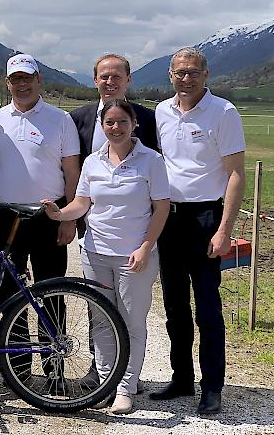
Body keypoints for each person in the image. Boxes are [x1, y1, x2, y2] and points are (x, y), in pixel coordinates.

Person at [43, 99, 170, 414]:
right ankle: (106, 384)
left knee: (131, 322)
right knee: (101, 321)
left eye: (122, 122)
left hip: (134, 256)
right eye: (109, 123)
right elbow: (82, 203)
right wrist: (60, 213)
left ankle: (126, 389)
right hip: (95, 252)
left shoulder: (151, 161)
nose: (116, 128)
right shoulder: (93, 162)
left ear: (133, 124)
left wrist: (145, 246)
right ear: (102, 126)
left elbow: (162, 207)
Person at [150, 47, 246, 415]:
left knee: (207, 308)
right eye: (179, 73)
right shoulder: (162, 111)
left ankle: (212, 387)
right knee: (174, 306)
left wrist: (224, 230)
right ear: (170, 76)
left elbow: (236, 174)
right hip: (170, 220)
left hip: (207, 219)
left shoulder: (223, 112)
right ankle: (181, 378)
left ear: (206, 75)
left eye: (193, 73)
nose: (185, 79)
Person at [0, 54, 80, 387]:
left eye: (27, 78)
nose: (22, 84)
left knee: (51, 291)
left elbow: (72, 172)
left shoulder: (60, 120)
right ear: (7, 83)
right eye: (15, 79)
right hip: (6, 214)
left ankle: (54, 368)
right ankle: (17, 370)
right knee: (9, 294)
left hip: (48, 214)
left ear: (38, 80)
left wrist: (70, 218)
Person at [70, 54, 157, 391]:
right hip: (92, 230)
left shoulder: (148, 120)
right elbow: (74, 174)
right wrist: (66, 216)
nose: (110, 82)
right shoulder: (76, 119)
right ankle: (100, 372)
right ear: (95, 81)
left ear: (128, 79)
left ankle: (127, 381)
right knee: (100, 311)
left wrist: (149, 240)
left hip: (135, 232)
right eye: (104, 77)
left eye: (116, 76)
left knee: (131, 312)